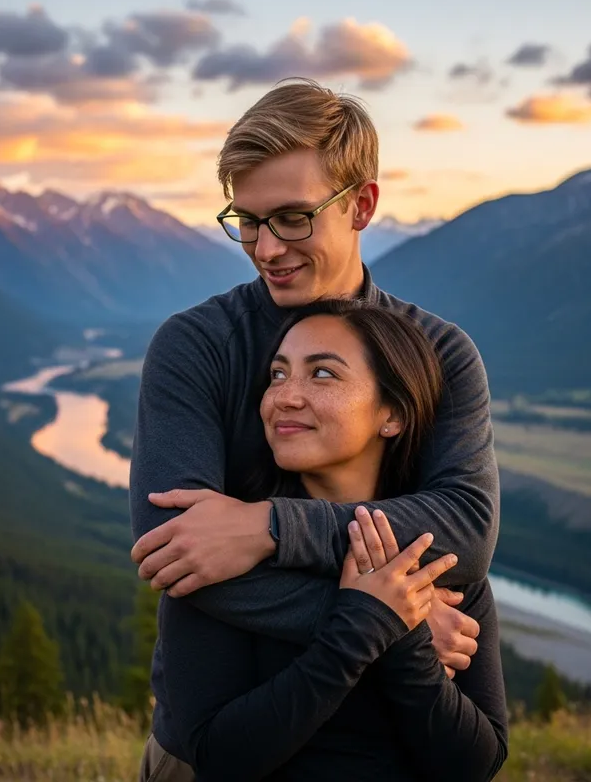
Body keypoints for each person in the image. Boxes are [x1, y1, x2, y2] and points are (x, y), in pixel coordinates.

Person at [130, 78, 500, 780]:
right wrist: (397, 622)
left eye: (293, 218)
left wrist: (268, 527)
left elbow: (465, 527)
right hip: (216, 746)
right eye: (247, 219)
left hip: (388, 747)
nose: (266, 247)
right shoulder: (196, 346)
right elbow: (176, 555)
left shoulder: (440, 355)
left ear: (361, 205)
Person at [159, 298, 507, 780]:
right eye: (277, 375)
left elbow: (476, 763)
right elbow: (218, 757)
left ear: (393, 414)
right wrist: (366, 629)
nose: (284, 396)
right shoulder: (225, 547)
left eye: (322, 374)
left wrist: (406, 641)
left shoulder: (438, 560)